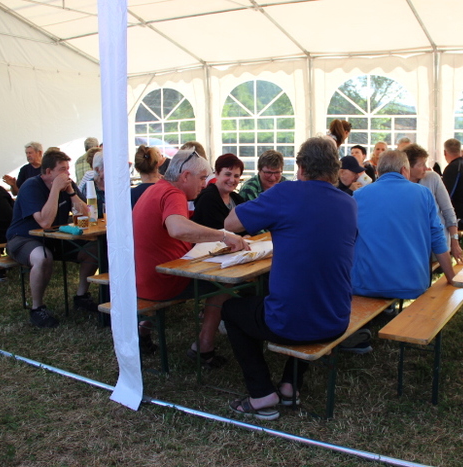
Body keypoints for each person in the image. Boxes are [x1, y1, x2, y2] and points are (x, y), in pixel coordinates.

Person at [221, 136, 357, 421]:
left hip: (291, 321)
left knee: (232, 309)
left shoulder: (285, 193)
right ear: (335, 169)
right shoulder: (348, 203)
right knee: (308, 292)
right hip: (337, 318)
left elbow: (230, 223)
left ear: (301, 167)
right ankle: (289, 384)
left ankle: (261, 392)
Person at [132, 148, 248, 367]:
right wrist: (224, 236)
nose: (204, 184)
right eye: (202, 178)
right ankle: (204, 347)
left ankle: (142, 331)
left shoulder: (155, 188)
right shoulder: (173, 193)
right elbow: (177, 228)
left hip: (142, 278)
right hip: (162, 281)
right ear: (185, 176)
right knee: (224, 282)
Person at [5, 150, 98, 328]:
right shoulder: (31, 186)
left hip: (54, 238)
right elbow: (45, 222)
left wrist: (71, 193)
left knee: (93, 250)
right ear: (48, 172)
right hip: (23, 238)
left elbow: (88, 215)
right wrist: (55, 189)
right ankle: (37, 308)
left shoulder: (68, 185)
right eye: (62, 169)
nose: (67, 173)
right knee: (42, 257)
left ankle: (81, 297)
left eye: (68, 169)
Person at [352, 150, 456, 300]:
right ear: (404, 170)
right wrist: (451, 276)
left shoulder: (359, 195)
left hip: (367, 282)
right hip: (413, 282)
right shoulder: (423, 194)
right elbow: (438, 238)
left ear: (378, 171)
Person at [404, 143, 463, 263]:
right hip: (412, 242)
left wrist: (454, 241)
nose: (426, 168)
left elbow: (448, 210)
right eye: (421, 165)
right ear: (408, 167)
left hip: (436, 240)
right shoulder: (401, 184)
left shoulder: (432, 178)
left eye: (425, 164)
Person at [192, 153, 245, 230]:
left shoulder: (237, 199)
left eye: (236, 176)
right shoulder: (207, 198)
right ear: (216, 174)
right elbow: (218, 230)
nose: (232, 180)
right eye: (228, 174)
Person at [441, 138, 463, 231]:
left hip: (461, 217)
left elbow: (446, 196)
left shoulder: (453, 168)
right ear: (460, 151)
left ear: (445, 152)